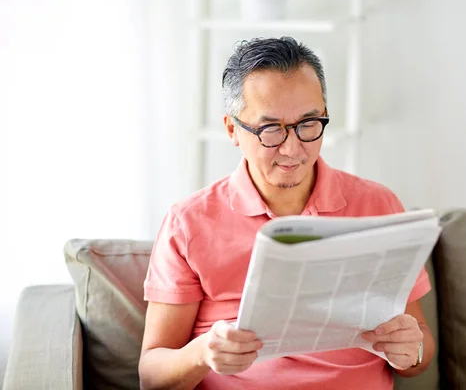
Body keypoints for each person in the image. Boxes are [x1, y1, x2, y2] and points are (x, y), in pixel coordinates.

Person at [138, 36, 434, 390]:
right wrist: (203, 352)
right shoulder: (188, 223)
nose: (293, 148)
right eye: (271, 129)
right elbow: (151, 377)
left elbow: (419, 350)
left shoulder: (377, 205)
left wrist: (410, 350)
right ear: (233, 129)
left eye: (309, 124)